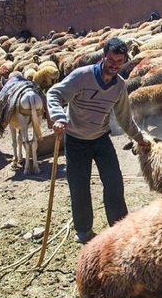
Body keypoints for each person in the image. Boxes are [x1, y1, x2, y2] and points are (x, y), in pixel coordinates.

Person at [46, 37, 150, 244]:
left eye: (119, 61)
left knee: (113, 182)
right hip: (76, 140)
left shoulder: (119, 86)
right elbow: (54, 93)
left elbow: (124, 117)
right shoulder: (82, 77)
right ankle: (84, 231)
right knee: (79, 186)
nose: (114, 65)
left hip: (101, 139)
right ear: (103, 57)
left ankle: (120, 228)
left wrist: (140, 138)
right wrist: (58, 118)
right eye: (111, 60)